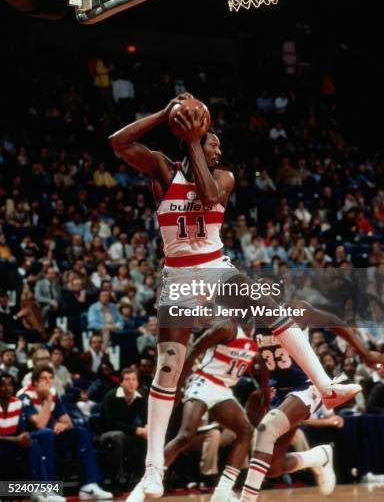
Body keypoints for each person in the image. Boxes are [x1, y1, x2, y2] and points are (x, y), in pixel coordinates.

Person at [110, 93, 361, 499]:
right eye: (213, 142)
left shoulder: (224, 176)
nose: (218, 149)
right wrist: (165, 114)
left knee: (272, 311)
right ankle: (152, 470)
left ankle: (325, 384)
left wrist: (194, 141)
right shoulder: (162, 169)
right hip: (178, 276)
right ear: (192, 138)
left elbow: (209, 196)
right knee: (168, 368)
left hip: (215, 266)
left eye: (215, 144)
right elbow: (117, 143)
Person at [238, 299, 384, 501]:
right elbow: (266, 360)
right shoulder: (254, 322)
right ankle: (320, 456)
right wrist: (266, 394)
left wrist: (365, 353)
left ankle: (246, 499)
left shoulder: (296, 310)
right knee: (273, 467)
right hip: (281, 393)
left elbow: (333, 320)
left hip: (307, 386)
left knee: (266, 429)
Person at [164, 321, 258, 502]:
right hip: (204, 381)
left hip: (223, 388)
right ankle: (147, 479)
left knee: (246, 431)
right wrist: (177, 387)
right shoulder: (227, 327)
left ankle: (223, 490)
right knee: (185, 434)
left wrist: (264, 389)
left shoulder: (256, 332)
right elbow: (193, 350)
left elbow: (260, 361)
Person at [18, 365, 112, 500]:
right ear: (35, 382)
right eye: (43, 378)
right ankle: (48, 491)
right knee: (46, 433)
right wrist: (48, 400)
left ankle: (88, 486)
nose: (47, 382)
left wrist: (62, 424)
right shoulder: (24, 395)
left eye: (50, 378)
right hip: (31, 440)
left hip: (50, 436)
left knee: (80, 432)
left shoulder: (52, 392)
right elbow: (39, 424)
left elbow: (68, 422)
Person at [99, 368, 148, 485]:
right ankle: (116, 479)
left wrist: (147, 428)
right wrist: (137, 430)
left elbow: (146, 418)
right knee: (118, 436)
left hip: (126, 434)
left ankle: (143, 477)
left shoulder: (140, 397)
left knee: (150, 436)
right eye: (127, 379)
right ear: (121, 382)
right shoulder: (111, 397)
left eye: (133, 379)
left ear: (137, 382)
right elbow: (111, 424)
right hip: (105, 434)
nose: (131, 382)